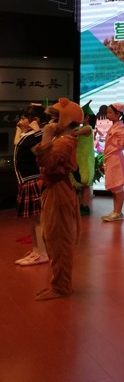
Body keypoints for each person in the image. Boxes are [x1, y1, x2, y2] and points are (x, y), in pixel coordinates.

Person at [32, 98, 82, 300]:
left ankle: (61, 286)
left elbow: (47, 163)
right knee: (52, 238)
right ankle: (59, 283)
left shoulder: (64, 142)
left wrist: (45, 136)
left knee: (58, 240)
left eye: (55, 118)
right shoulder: (61, 140)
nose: (51, 122)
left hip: (58, 193)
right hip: (55, 191)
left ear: (65, 119)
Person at [13, 103, 49, 266]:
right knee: (33, 220)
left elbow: (44, 143)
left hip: (33, 180)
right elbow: (16, 143)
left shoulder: (38, 134)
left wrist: (36, 129)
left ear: (34, 120)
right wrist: (20, 129)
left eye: (23, 118)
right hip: (26, 180)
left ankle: (42, 252)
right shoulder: (27, 135)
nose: (20, 121)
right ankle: (36, 251)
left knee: (38, 219)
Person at [101, 103, 124, 222]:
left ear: (118, 114)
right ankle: (116, 211)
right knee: (114, 187)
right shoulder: (115, 126)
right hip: (111, 159)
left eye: (110, 112)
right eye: (107, 112)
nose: (107, 114)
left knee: (117, 186)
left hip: (116, 158)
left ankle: (118, 212)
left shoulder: (120, 128)